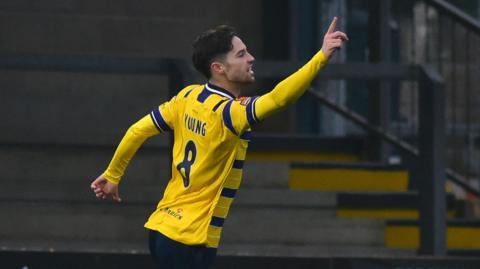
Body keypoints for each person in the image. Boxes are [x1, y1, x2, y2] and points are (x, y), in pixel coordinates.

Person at [91, 17, 347, 269]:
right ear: (219, 68)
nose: (251, 58)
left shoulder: (187, 97)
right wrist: (321, 56)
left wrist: (113, 174)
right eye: (241, 54)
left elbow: (137, 130)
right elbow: (279, 99)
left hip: (161, 229)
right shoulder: (228, 114)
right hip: (190, 240)